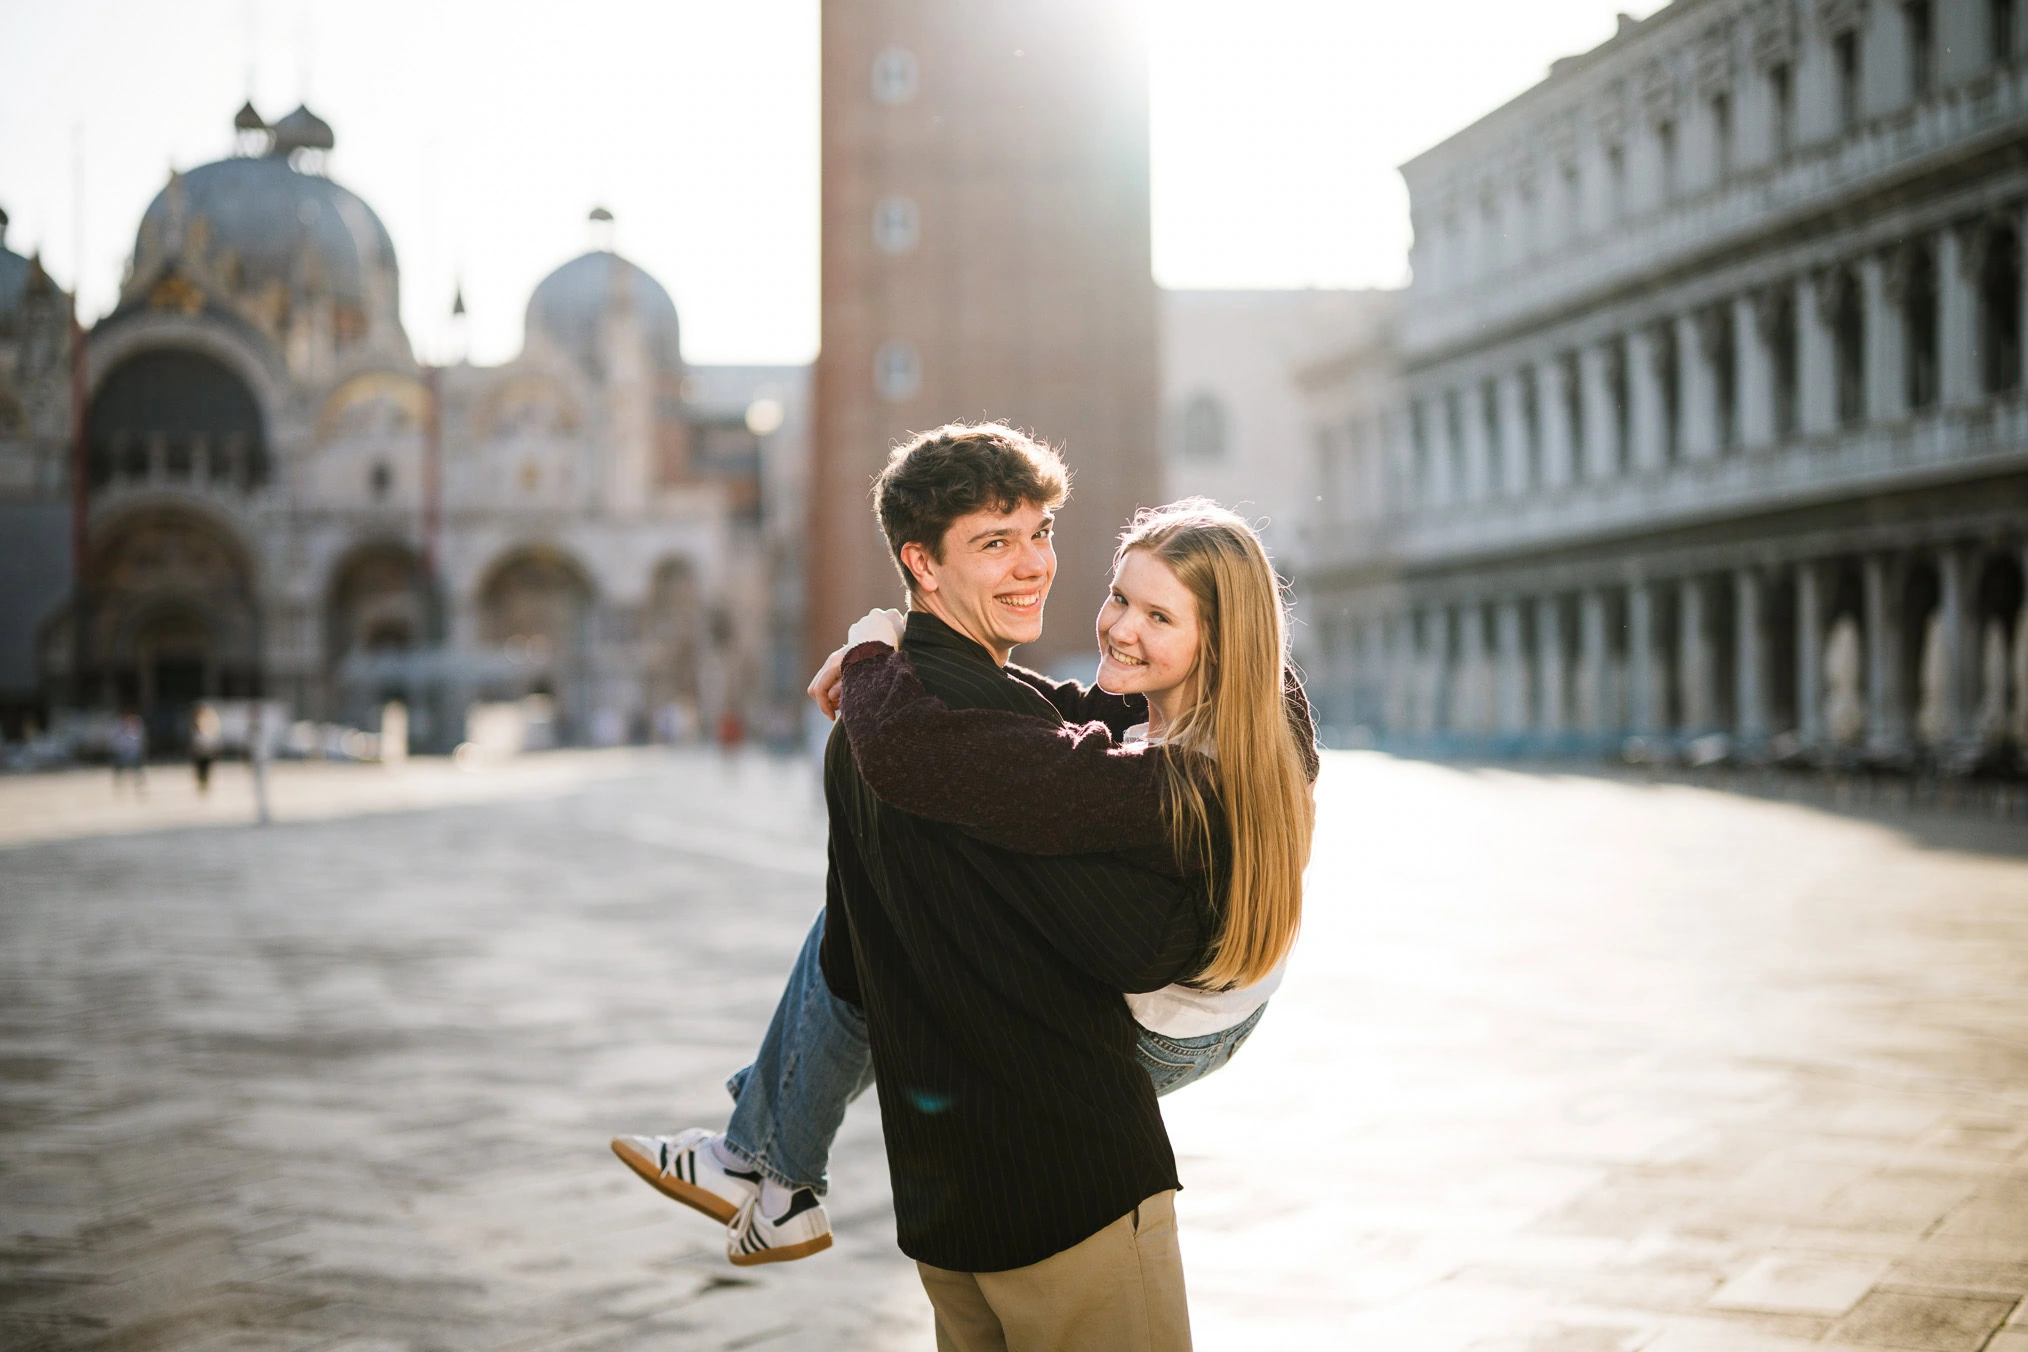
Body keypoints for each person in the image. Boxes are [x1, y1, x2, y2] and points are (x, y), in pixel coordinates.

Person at [614, 427, 1312, 1345]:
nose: (1111, 621)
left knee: (867, 916)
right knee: (861, 917)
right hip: (1049, 1183)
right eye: (1119, 598)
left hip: (1159, 1048)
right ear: (923, 562)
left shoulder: (1174, 779)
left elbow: (984, 758)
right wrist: (890, 646)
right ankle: (764, 1162)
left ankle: (766, 1165)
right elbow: (1064, 721)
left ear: (1220, 646)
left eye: (1041, 533)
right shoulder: (1120, 737)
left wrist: (875, 645)